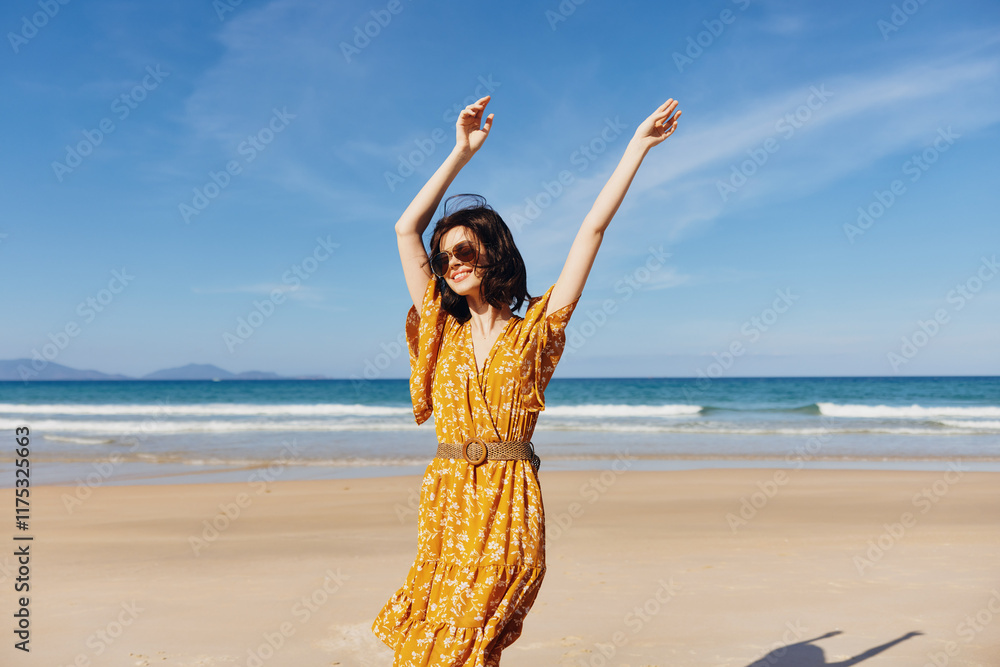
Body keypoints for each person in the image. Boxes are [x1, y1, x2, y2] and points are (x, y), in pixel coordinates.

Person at [372, 93, 681, 666]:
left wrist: (636, 149)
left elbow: (591, 231)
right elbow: (403, 229)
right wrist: (459, 153)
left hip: (511, 494)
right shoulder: (441, 328)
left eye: (464, 249)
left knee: (472, 634)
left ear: (495, 252)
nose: (453, 262)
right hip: (447, 495)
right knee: (433, 644)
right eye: (445, 258)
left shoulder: (538, 328)